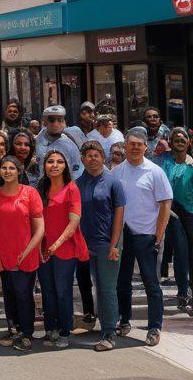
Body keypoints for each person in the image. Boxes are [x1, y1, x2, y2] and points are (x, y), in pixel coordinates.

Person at [113, 126, 172, 346]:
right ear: (125, 147)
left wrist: (159, 235)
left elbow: (166, 204)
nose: (135, 148)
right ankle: (124, 320)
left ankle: (154, 326)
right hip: (124, 235)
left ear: (145, 148)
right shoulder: (117, 171)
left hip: (147, 236)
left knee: (151, 283)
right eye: (132, 144)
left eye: (139, 145)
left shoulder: (155, 171)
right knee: (122, 282)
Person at [0, 155, 42, 352]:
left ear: (19, 171)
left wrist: (27, 251)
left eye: (12, 168)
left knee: (23, 294)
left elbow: (40, 229)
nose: (7, 171)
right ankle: (14, 330)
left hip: (26, 254)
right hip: (4, 253)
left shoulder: (30, 193)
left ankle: (26, 333)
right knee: (8, 294)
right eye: (4, 168)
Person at [76, 140, 126, 350]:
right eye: (88, 155)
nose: (93, 158)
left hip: (107, 245)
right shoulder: (77, 183)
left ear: (103, 157)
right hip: (83, 246)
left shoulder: (113, 182)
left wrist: (114, 244)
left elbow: (119, 215)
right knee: (88, 287)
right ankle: (96, 323)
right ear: (82, 159)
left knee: (106, 289)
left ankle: (108, 333)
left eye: (96, 155)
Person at [36, 150, 87, 348]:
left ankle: (65, 330)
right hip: (43, 248)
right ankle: (51, 329)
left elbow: (74, 221)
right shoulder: (41, 187)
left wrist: (56, 244)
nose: (54, 165)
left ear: (65, 166)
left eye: (59, 162)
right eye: (50, 161)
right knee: (47, 290)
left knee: (62, 291)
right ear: (45, 165)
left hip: (64, 248)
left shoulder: (72, 188)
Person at [158, 126, 193, 314]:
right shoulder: (164, 163)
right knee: (181, 253)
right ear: (170, 143)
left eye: (183, 138)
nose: (180, 141)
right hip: (173, 214)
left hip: (191, 213)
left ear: (189, 142)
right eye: (176, 139)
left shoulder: (192, 164)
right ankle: (182, 293)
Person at [34, 105, 82, 176]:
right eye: (52, 120)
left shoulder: (70, 144)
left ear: (64, 122)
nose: (55, 123)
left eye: (59, 120)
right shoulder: (37, 141)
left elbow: (77, 172)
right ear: (45, 122)